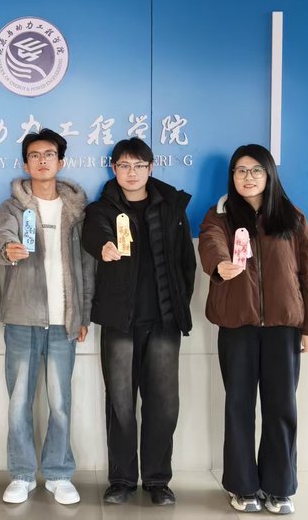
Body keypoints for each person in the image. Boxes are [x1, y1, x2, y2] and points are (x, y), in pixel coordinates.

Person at [198, 144, 308, 515]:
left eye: (256, 170)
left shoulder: (291, 216)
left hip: (283, 327)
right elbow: (210, 243)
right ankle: (242, 486)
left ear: (269, 174)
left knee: (281, 406)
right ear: (232, 176)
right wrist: (220, 264)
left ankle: (279, 487)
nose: (248, 177)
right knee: (239, 405)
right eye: (240, 170)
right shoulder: (221, 214)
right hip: (237, 324)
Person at [82, 137, 196, 506]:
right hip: (120, 322)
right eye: (124, 166)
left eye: (139, 166)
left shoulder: (171, 207)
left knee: (163, 404)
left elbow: (186, 262)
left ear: (151, 168)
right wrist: (105, 246)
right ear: (113, 169)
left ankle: (158, 480)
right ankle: (121, 480)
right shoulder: (102, 208)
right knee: (120, 404)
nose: (132, 173)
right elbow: (93, 234)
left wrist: (178, 306)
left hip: (163, 321)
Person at [0, 129, 94, 506]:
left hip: (65, 321)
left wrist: (83, 314)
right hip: (22, 318)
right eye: (35, 155)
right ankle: (21, 474)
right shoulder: (13, 206)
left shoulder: (76, 211)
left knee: (60, 402)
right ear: (25, 163)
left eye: (49, 154)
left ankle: (59, 473)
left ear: (60, 162)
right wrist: (8, 249)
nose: (42, 161)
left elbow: (87, 266)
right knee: (19, 402)